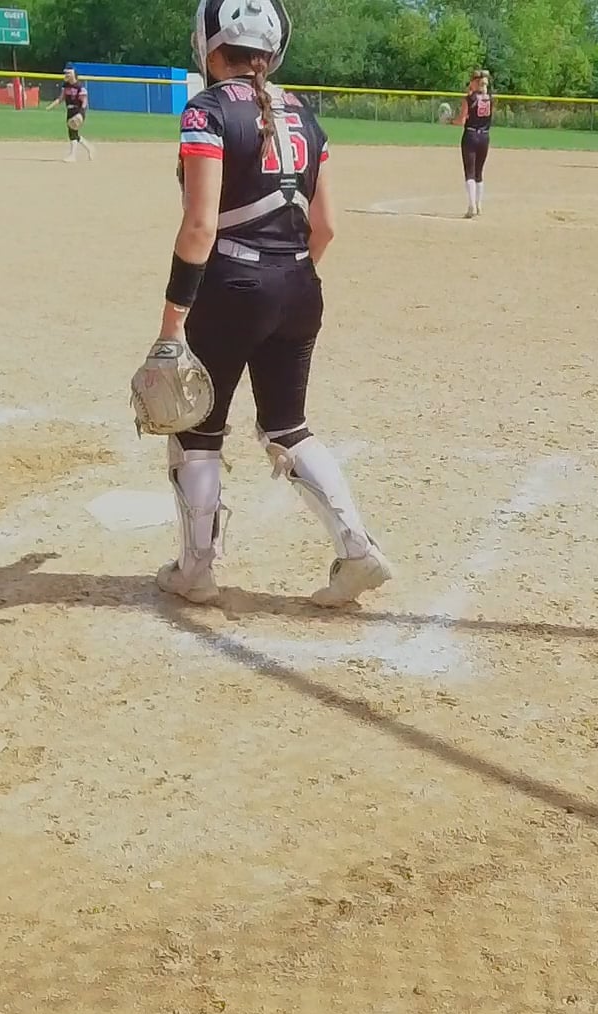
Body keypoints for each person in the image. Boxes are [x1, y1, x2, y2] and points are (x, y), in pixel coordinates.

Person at [151, 0, 392, 607]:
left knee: (198, 429)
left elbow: (200, 226)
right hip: (300, 285)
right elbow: (325, 226)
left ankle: (196, 570)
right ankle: (357, 549)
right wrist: (286, 280)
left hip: (231, 284)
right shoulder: (304, 113)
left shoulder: (207, 111)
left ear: (209, 46)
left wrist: (172, 323)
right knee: (288, 425)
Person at [451, 69, 493, 218]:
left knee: (469, 172)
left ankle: (472, 207)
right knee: (479, 173)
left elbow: (461, 120)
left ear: (475, 82)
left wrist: (450, 121)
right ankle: (479, 205)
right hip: (485, 137)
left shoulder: (468, 99)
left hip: (470, 136)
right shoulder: (491, 99)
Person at [41, 65, 96, 163]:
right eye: (65, 73)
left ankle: (72, 156)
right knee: (74, 134)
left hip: (78, 111)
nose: (66, 75)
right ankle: (89, 148)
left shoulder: (79, 87)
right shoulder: (65, 85)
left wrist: (81, 114)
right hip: (70, 111)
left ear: (74, 74)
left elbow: (84, 102)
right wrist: (50, 106)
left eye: (68, 73)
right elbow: (60, 98)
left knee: (72, 132)